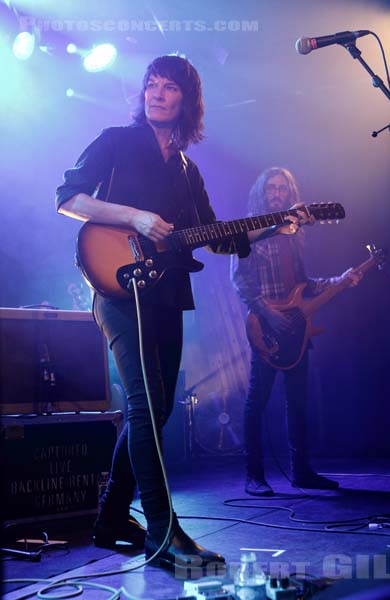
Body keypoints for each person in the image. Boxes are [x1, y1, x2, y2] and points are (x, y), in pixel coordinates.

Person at [56, 57, 304, 571]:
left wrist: (276, 226)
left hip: (166, 297)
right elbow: (69, 198)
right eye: (152, 85)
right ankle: (164, 534)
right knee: (146, 409)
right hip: (119, 291)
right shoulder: (116, 141)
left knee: (157, 410)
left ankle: (109, 519)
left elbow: (219, 238)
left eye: (170, 88)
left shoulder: (189, 170)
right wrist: (136, 217)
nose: (157, 93)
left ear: (187, 102)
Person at [231, 167, 361, 496]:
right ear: (261, 192)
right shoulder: (249, 229)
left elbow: (305, 285)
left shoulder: (296, 232)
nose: (277, 193)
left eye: (282, 188)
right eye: (271, 188)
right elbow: (240, 279)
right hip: (265, 326)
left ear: (290, 193)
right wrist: (266, 312)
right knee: (256, 402)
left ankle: (301, 471)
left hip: (296, 326)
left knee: (298, 402)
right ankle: (254, 476)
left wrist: (339, 281)